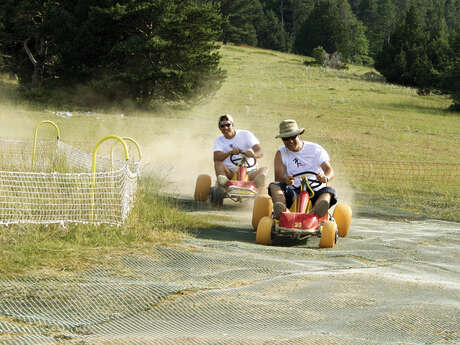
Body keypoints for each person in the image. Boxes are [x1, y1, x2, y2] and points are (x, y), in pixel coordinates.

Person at [269, 119, 337, 219]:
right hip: (293, 192)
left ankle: (316, 212)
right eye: (286, 139)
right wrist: (286, 180)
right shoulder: (281, 153)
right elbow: (279, 178)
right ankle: (282, 210)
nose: (290, 141)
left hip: (315, 191)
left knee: (329, 191)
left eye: (293, 137)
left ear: (299, 135)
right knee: (274, 186)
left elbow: (329, 170)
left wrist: (325, 177)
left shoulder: (316, 149)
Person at [214, 114, 268, 189]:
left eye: (228, 125)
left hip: (250, 172)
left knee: (264, 169)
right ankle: (225, 184)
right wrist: (230, 152)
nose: (225, 128)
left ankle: (258, 185)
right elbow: (216, 157)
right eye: (222, 126)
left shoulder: (246, 134)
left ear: (233, 125)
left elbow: (260, 152)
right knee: (218, 163)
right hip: (231, 173)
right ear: (219, 128)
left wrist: (253, 155)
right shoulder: (219, 141)